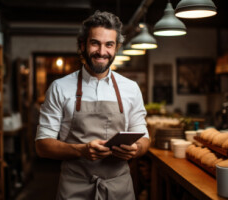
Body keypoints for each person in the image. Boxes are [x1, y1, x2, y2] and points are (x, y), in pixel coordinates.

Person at [35, 10, 150, 200]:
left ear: (116, 47)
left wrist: (136, 149)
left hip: (119, 188)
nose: (102, 52)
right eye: (95, 43)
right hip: (75, 187)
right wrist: (81, 150)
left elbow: (145, 138)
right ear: (82, 45)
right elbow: (42, 145)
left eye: (109, 45)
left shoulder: (131, 88)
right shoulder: (59, 88)